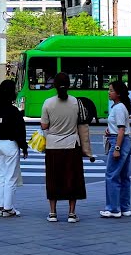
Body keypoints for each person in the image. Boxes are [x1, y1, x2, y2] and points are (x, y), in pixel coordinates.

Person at [41, 72, 95, 223]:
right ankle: (72, 213)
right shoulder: (76, 102)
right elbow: (83, 124)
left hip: (53, 146)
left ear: (54, 85)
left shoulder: (48, 103)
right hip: (72, 146)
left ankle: (53, 213)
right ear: (69, 85)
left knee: (53, 179)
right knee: (73, 179)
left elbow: (44, 125)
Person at [0, 79, 27, 217]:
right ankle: (8, 208)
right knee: (11, 177)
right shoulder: (14, 111)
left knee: (0, 175)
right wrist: (24, 147)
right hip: (10, 145)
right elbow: (19, 132)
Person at [100, 80, 131, 219]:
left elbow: (121, 130)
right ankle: (124, 208)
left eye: (111, 90)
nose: (109, 92)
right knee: (123, 176)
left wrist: (117, 148)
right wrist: (110, 130)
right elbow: (119, 127)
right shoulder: (120, 106)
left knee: (111, 175)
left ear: (118, 93)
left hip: (119, 141)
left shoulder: (119, 108)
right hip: (124, 141)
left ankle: (113, 209)